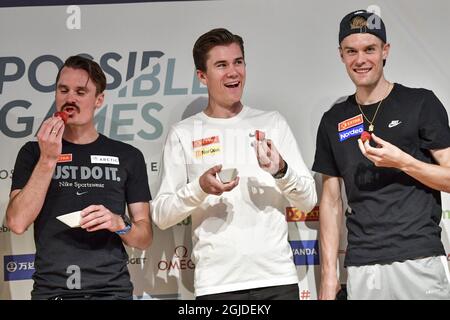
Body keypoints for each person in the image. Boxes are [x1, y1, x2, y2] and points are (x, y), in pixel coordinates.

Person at [151, 28, 317, 300]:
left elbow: (308, 201)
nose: (233, 72)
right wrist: (200, 188)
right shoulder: (183, 133)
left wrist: (281, 171)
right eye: (221, 65)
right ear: (202, 76)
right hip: (217, 285)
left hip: (278, 279)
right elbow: (161, 215)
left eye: (238, 62)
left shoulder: (272, 122)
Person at [313, 9, 450, 300]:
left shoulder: (420, 103)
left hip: (418, 258)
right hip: (363, 265)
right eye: (351, 51)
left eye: (369, 49)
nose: (360, 60)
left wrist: (403, 162)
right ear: (341, 55)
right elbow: (331, 201)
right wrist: (328, 276)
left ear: (385, 50)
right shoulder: (333, 120)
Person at [6, 55, 153, 300]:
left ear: (99, 100)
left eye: (80, 91)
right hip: (51, 292)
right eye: (63, 90)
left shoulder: (128, 156)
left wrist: (120, 224)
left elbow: (145, 238)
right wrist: (48, 160)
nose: (70, 99)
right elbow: (17, 222)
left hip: (112, 292)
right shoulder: (33, 153)